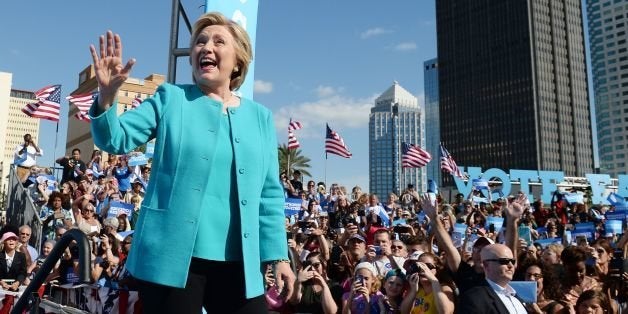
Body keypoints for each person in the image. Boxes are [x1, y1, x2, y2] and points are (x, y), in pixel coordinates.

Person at [88, 12, 294, 313]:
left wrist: (279, 257)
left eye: (218, 41)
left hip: (240, 263)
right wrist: (106, 97)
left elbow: (269, 195)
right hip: (172, 261)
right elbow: (114, 139)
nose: (205, 47)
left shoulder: (260, 117)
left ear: (238, 60)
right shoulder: (171, 98)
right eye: (199, 41)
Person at [456, 244, 527, 314]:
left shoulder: (517, 298)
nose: (511, 265)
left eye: (513, 261)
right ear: (486, 265)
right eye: (504, 261)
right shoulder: (474, 298)